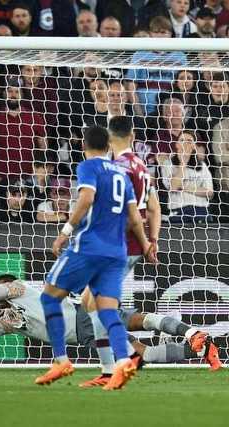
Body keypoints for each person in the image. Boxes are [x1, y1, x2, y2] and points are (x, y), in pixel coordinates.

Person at [35, 126, 155, 390]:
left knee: (49, 297)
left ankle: (61, 360)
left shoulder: (88, 167)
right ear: (109, 146)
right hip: (117, 252)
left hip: (89, 247)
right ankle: (123, 362)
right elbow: (136, 218)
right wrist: (147, 245)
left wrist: (65, 231)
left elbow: (87, 197)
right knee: (105, 308)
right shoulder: (121, 174)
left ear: (84, 146)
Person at [0, 275, 221, 371]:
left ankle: (195, 346)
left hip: (83, 320)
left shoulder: (19, 289)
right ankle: (195, 339)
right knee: (142, 322)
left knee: (142, 348)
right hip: (87, 327)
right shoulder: (10, 320)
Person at [77, 115, 167, 387]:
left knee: (96, 304)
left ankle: (121, 363)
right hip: (133, 244)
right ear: (133, 134)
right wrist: (152, 240)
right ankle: (117, 364)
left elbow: (125, 215)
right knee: (90, 302)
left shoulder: (113, 168)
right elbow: (154, 208)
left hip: (118, 244)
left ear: (107, 136)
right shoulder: (142, 166)